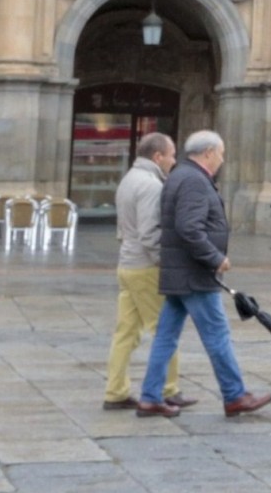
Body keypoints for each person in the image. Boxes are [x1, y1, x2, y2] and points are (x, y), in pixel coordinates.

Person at [138, 131, 271, 418]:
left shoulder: (181, 175)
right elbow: (189, 227)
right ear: (209, 152)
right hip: (194, 274)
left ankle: (150, 397)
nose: (222, 159)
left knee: (166, 336)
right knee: (217, 334)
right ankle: (235, 395)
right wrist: (216, 258)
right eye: (221, 153)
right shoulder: (193, 180)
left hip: (180, 273)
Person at [103, 133, 192, 410]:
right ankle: (168, 389)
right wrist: (164, 263)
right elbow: (150, 233)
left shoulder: (129, 179)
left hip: (127, 264)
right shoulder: (151, 185)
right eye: (172, 155)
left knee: (125, 332)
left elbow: (123, 228)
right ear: (158, 157)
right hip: (145, 267)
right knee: (164, 329)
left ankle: (115, 391)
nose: (174, 161)